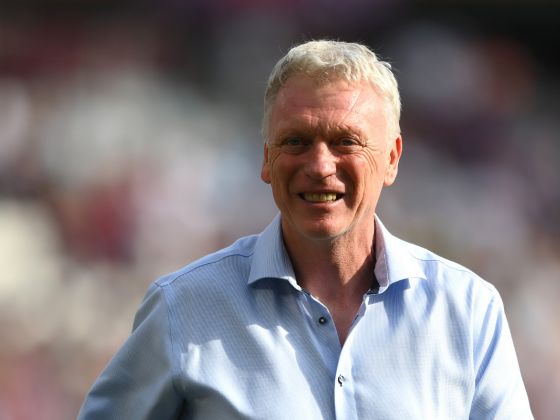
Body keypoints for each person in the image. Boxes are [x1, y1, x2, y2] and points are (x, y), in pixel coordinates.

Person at [78, 40, 533, 419]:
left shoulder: (468, 311)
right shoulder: (185, 306)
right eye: (295, 141)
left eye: (345, 142)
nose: (319, 166)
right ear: (265, 159)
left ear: (392, 158)